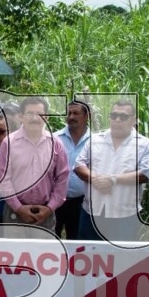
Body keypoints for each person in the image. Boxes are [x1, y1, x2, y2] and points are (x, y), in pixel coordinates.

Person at [74, 99, 149, 242]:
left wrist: (113, 180)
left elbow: (146, 174)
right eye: (114, 115)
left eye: (123, 117)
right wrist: (95, 179)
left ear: (134, 120)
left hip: (124, 216)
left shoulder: (144, 144)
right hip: (91, 213)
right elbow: (78, 165)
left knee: (121, 254)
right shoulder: (95, 139)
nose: (117, 120)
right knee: (87, 253)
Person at [0, 96, 69, 231]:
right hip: (15, 213)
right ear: (21, 116)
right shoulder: (8, 143)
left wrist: (49, 208)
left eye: (39, 114)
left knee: (44, 246)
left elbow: (62, 179)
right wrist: (19, 208)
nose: (35, 118)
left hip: (45, 213)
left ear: (46, 117)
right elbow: (3, 180)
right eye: (29, 113)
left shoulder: (56, 144)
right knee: (14, 246)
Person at [56, 100, 91, 239]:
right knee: (52, 241)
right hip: (55, 201)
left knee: (77, 242)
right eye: (69, 113)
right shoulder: (55, 138)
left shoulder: (96, 141)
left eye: (76, 113)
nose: (71, 117)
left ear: (86, 116)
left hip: (82, 202)